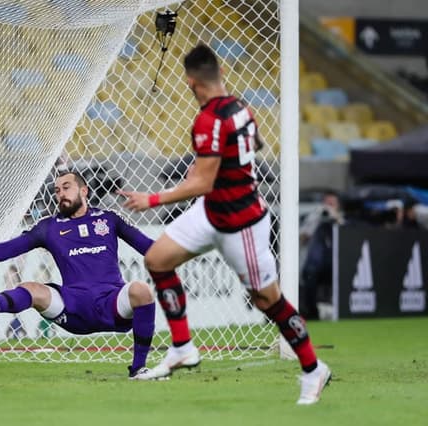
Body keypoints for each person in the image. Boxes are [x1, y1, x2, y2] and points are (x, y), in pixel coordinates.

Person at [118, 43, 332, 403]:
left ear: (190, 82)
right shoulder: (241, 108)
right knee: (157, 259)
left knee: (267, 300)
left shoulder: (207, 118)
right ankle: (183, 345)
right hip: (212, 211)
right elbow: (242, 154)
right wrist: (208, 165)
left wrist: (151, 199)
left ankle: (313, 369)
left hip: (241, 223)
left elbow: (203, 182)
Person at [0, 171, 157, 380]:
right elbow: (8, 249)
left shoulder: (108, 219)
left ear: (84, 191)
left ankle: (138, 369)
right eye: (57, 190)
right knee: (32, 288)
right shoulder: (48, 227)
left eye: (66, 187)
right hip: (73, 308)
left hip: (112, 304)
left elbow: (150, 248)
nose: (60, 194)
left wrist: (182, 249)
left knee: (142, 290)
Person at [299, 191, 344, 320]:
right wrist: (316, 220)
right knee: (310, 273)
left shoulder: (340, 219)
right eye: (326, 203)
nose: (328, 207)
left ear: (338, 206)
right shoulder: (314, 218)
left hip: (337, 264)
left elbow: (348, 238)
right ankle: (312, 312)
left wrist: (336, 218)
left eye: (332, 204)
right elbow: (302, 238)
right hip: (316, 265)